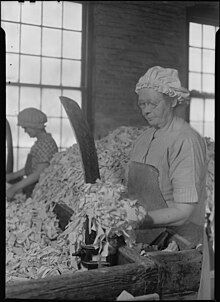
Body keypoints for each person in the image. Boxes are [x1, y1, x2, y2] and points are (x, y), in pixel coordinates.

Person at [127, 66, 210, 299]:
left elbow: (184, 212)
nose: (146, 110)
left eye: (152, 104)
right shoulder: (143, 138)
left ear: (172, 101)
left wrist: (135, 220)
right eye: (142, 104)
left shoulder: (185, 140)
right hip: (145, 240)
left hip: (177, 246)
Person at [6, 107, 58, 200]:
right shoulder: (40, 142)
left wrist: (14, 188)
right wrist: (11, 176)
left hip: (41, 192)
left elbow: (39, 173)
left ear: (34, 125)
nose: (25, 131)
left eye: (25, 128)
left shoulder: (46, 143)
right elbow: (32, 167)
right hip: (33, 189)